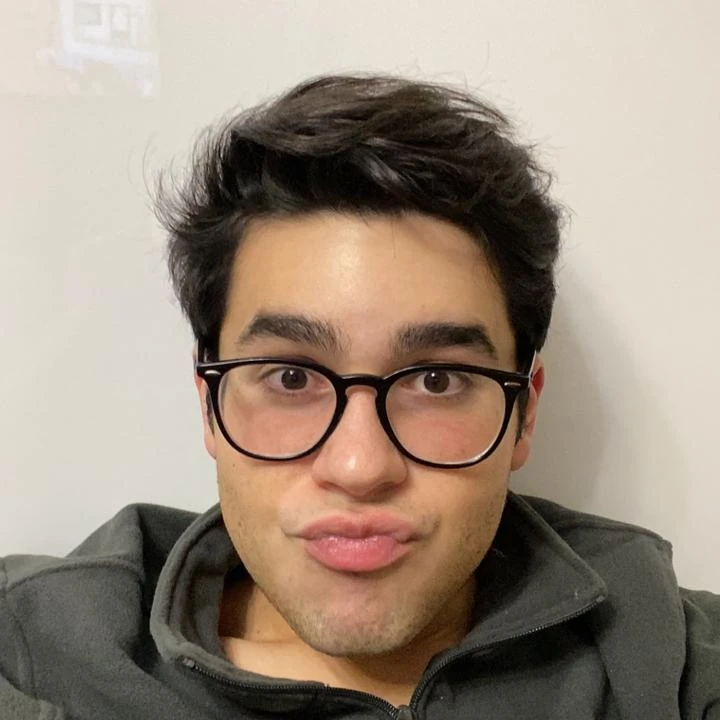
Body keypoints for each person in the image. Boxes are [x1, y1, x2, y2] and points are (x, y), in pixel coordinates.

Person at [1, 74, 718, 720]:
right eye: (291, 378)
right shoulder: (37, 655)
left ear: (524, 412)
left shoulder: (675, 663)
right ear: (208, 403)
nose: (359, 466)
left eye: (436, 380)